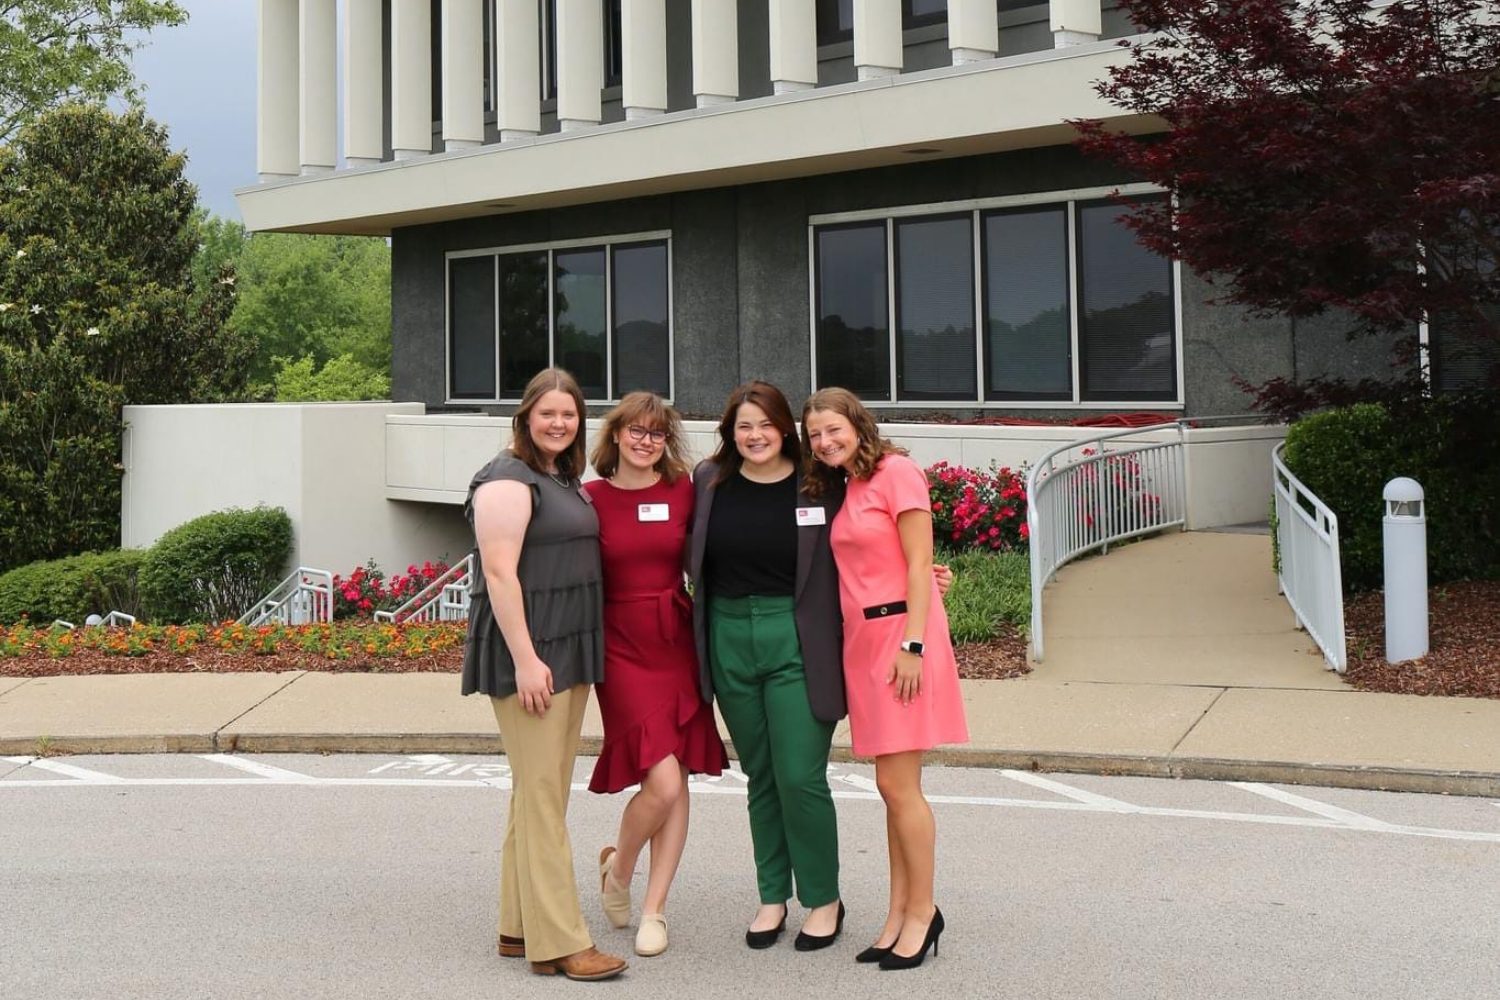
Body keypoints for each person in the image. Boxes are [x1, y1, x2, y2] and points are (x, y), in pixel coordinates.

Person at [461, 367, 628, 983]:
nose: (559, 423)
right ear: (525, 415)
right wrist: (529, 660)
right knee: (541, 799)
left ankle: (517, 924)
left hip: (565, 647)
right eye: (548, 413)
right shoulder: (507, 479)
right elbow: (500, 576)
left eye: (569, 414)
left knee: (539, 794)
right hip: (530, 656)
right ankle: (561, 942)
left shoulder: (558, 475)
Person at [801, 386, 969, 971]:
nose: (824, 442)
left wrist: (914, 645)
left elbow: (920, 564)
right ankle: (899, 913)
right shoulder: (846, 485)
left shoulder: (897, 471)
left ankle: (923, 913)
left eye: (833, 429)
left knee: (902, 788)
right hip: (862, 646)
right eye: (815, 434)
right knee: (888, 787)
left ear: (857, 423)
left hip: (901, 640)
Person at [687, 381, 848, 952]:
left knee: (799, 776)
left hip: (798, 638)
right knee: (760, 776)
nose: (755, 436)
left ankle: (823, 897)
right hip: (729, 636)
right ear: (730, 433)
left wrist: (920, 579)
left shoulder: (822, 482)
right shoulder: (708, 481)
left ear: (786, 427)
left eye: (765, 424)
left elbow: (867, 541)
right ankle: (772, 895)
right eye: (743, 426)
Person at [585, 392, 728, 959]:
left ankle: (655, 909)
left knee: (679, 779)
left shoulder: (684, 491)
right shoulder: (589, 498)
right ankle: (620, 870)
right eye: (637, 431)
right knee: (661, 782)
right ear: (616, 435)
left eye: (658, 433)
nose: (647, 441)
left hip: (675, 641)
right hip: (619, 647)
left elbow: (731, 542)